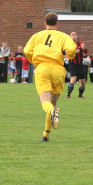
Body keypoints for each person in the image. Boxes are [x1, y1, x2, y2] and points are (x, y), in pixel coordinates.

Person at [23, 12, 76, 142]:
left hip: (43, 68)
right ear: (57, 23)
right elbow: (71, 50)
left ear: (44, 23)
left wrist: (35, 61)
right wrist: (68, 55)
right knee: (53, 102)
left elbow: (27, 51)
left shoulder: (37, 36)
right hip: (58, 69)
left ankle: (52, 112)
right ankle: (46, 134)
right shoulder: (63, 37)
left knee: (46, 103)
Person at [66, 33, 88, 99]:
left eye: (75, 35)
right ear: (70, 36)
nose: (74, 36)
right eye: (72, 35)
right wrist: (74, 52)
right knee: (74, 78)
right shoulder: (68, 44)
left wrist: (83, 48)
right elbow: (66, 52)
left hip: (80, 64)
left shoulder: (80, 43)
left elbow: (85, 51)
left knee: (83, 81)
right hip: (72, 63)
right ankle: (68, 94)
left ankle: (80, 95)